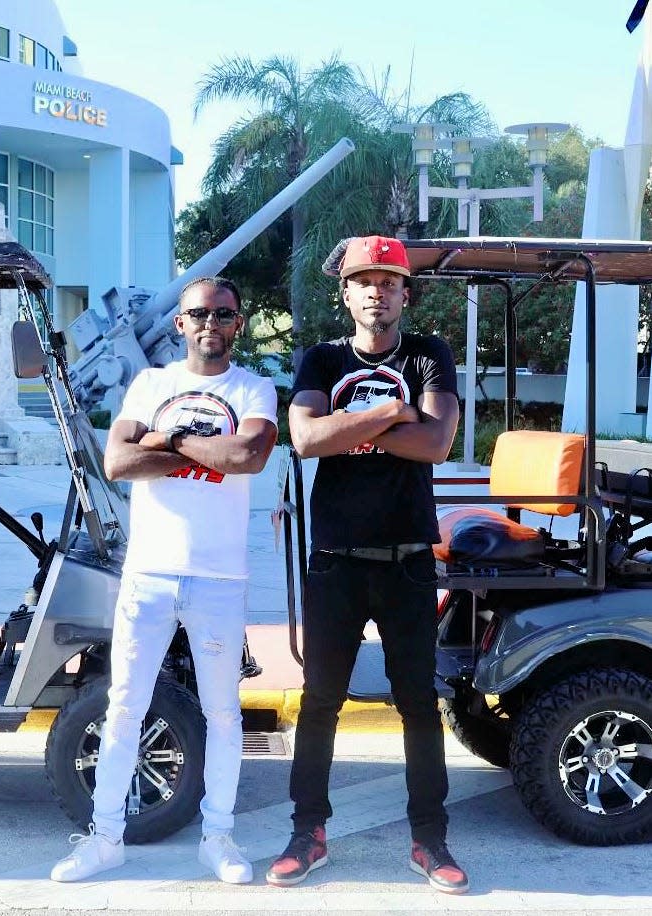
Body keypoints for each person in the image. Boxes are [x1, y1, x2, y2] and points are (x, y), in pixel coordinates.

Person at [51, 276, 278, 885]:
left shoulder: (253, 388)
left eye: (223, 314)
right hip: (148, 575)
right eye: (198, 313)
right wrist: (206, 444)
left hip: (219, 580)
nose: (210, 323)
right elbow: (119, 461)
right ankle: (104, 838)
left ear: (238, 323)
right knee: (124, 704)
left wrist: (168, 438)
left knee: (223, 712)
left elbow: (248, 457)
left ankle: (219, 836)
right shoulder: (151, 384)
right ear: (180, 323)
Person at [266, 236, 467, 894]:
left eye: (388, 280)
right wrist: (391, 411)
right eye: (363, 280)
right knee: (320, 702)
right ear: (345, 294)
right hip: (335, 562)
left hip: (408, 559)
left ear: (404, 293)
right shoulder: (321, 359)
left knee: (418, 704)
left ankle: (429, 840)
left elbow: (435, 443)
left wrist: (348, 423)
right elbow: (305, 438)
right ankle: (307, 833)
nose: (376, 290)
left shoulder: (427, 353)